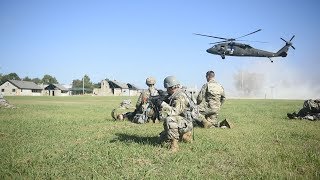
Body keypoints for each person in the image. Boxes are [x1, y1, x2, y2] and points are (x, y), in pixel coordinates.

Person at [157, 76, 193, 152]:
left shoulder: (180, 96)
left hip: (186, 123)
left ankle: (174, 146)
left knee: (169, 119)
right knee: (161, 139)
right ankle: (184, 136)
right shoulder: (174, 95)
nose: (166, 90)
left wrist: (162, 104)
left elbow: (175, 112)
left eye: (167, 88)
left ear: (171, 87)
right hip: (180, 122)